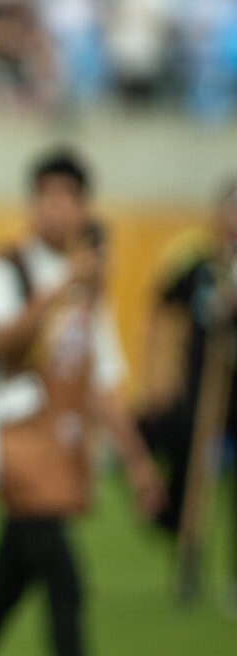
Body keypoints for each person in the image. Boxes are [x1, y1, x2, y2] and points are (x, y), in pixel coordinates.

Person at [0, 149, 164, 656]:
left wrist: (137, 463)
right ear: (33, 203)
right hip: (9, 445)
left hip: (56, 452)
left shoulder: (89, 287)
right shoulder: (2, 269)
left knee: (2, 592)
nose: (58, 209)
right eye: (48, 197)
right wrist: (61, 287)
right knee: (65, 583)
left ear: (84, 208)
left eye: (69, 198)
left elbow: (102, 382)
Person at [138, 177, 237, 601]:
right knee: (192, 474)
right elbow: (161, 308)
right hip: (203, 388)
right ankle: (187, 557)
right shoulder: (197, 263)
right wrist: (156, 373)